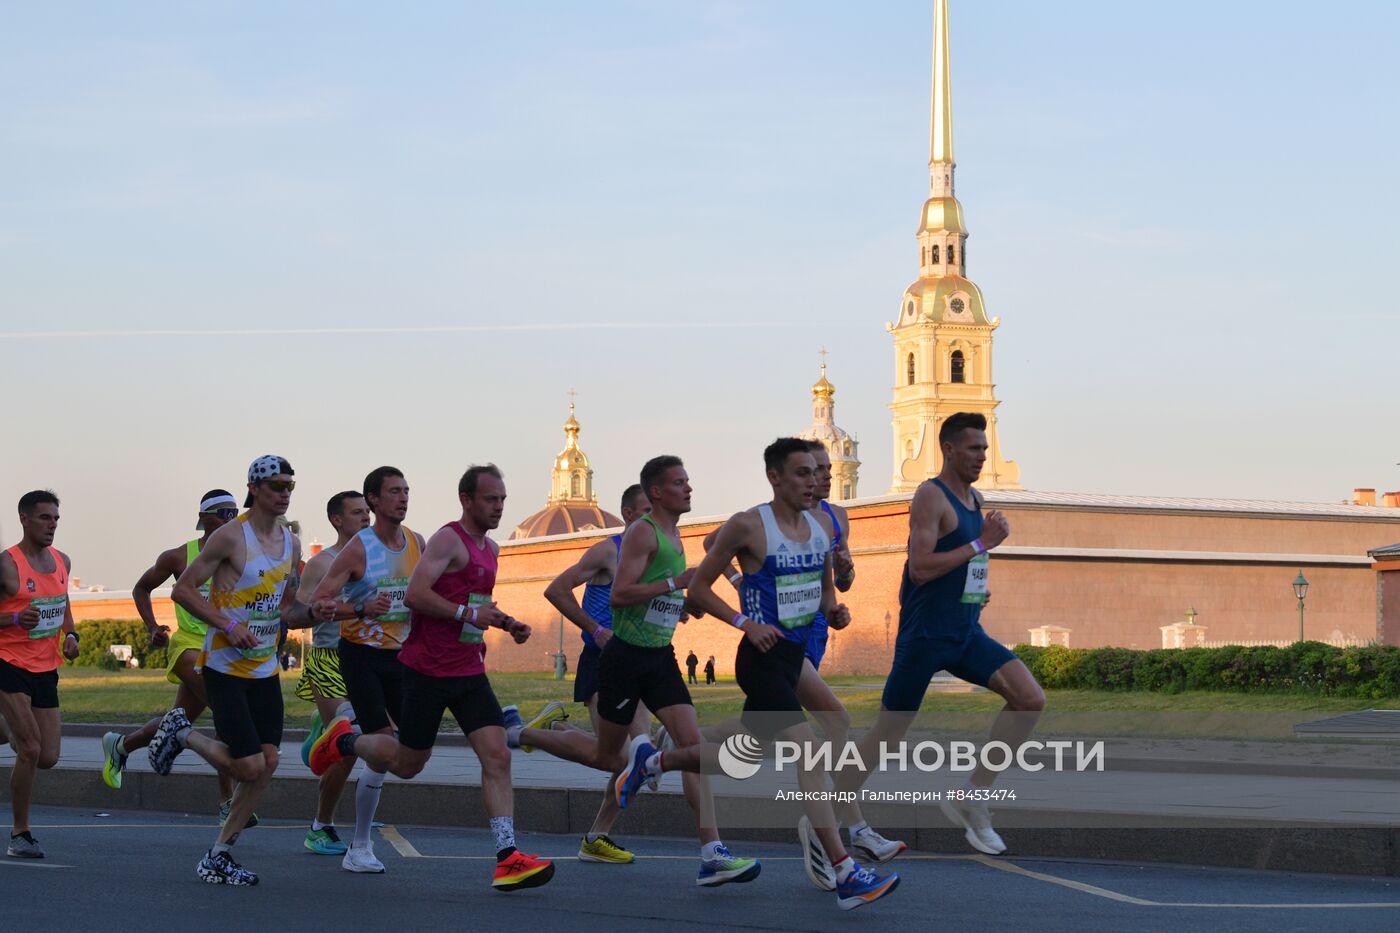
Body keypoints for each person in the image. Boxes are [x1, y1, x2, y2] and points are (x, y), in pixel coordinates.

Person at [511, 456, 760, 888]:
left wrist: (686, 605)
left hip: (660, 657)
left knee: (693, 748)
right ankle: (522, 734)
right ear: (650, 498)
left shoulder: (673, 534)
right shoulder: (634, 536)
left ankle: (712, 854)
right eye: (680, 482)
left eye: (688, 480)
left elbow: (665, 592)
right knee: (610, 757)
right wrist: (665, 591)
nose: (690, 488)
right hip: (621, 657)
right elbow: (622, 594)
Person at [308, 465, 553, 891]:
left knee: (497, 754)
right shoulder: (436, 541)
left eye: (503, 500)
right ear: (467, 500)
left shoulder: (483, 549)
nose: (499, 507)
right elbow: (416, 596)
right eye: (491, 499)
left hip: (463, 667)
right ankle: (344, 742)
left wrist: (505, 622)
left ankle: (507, 856)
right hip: (406, 665)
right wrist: (362, 609)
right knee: (405, 764)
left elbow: (474, 604)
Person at [686, 438, 898, 910]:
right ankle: (845, 865)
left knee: (813, 726)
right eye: (804, 471)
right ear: (775, 477)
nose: (816, 479)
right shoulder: (749, 523)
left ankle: (659, 759)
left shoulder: (826, 524)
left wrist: (837, 612)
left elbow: (829, 596)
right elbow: (699, 585)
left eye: (820, 470)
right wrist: (746, 617)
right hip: (760, 656)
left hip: (794, 653)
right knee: (808, 746)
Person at [832, 412, 1046, 855]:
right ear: (949, 449)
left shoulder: (975, 499)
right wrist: (981, 545)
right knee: (887, 736)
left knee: (1029, 699)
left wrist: (975, 588)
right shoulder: (931, 495)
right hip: (925, 637)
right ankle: (835, 804)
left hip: (965, 631)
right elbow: (921, 567)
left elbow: (964, 560)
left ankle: (973, 796)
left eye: (985, 449)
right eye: (973, 448)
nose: (981, 456)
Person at [148, 455, 316, 886]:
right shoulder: (229, 537)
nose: (285, 493)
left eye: (290, 486)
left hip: (263, 671)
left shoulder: (291, 543)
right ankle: (180, 731)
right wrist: (227, 623)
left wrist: (323, 612)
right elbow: (183, 590)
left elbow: (286, 611)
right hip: (224, 666)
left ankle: (219, 854)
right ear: (254, 488)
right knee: (247, 767)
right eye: (277, 485)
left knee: (270, 761)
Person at [309, 467, 423, 874]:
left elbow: (423, 596)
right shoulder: (359, 548)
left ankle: (343, 742)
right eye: (394, 491)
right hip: (361, 656)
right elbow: (320, 604)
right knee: (383, 744)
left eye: (406, 491)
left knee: (408, 756)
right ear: (373, 500)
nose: (403, 498)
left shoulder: (417, 543)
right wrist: (359, 608)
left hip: (402, 658)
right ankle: (359, 845)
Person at [532, 483, 652, 865]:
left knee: (637, 761)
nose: (655, 517)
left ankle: (596, 837)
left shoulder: (655, 558)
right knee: (618, 760)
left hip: (641, 660)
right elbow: (557, 589)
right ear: (629, 514)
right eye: (647, 509)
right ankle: (535, 732)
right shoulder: (607, 550)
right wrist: (596, 629)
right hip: (602, 661)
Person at [99, 490, 238, 814]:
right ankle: (227, 802)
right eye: (224, 513)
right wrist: (151, 627)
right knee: (227, 709)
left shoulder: (239, 555)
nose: (232, 519)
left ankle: (120, 746)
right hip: (188, 645)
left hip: (224, 649)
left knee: (178, 719)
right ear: (204, 517)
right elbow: (141, 587)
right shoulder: (179, 556)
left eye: (236, 513)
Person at [291, 490, 373, 858]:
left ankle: (318, 734)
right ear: (337, 520)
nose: (366, 517)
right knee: (347, 749)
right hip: (329, 659)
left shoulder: (380, 557)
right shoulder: (323, 562)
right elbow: (303, 608)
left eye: (367, 511)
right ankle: (320, 827)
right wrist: (355, 608)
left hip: (369, 659)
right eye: (357, 512)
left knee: (374, 744)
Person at [0, 491, 80, 858]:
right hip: (8, 663)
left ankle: (7, 727)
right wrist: (15, 618)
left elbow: (62, 607)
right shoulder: (7, 565)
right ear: (24, 519)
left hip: (45, 667)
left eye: (56, 519)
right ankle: (20, 833)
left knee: (47, 756)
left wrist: (72, 636)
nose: (52, 525)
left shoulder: (62, 560)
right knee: (30, 749)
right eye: (45, 518)